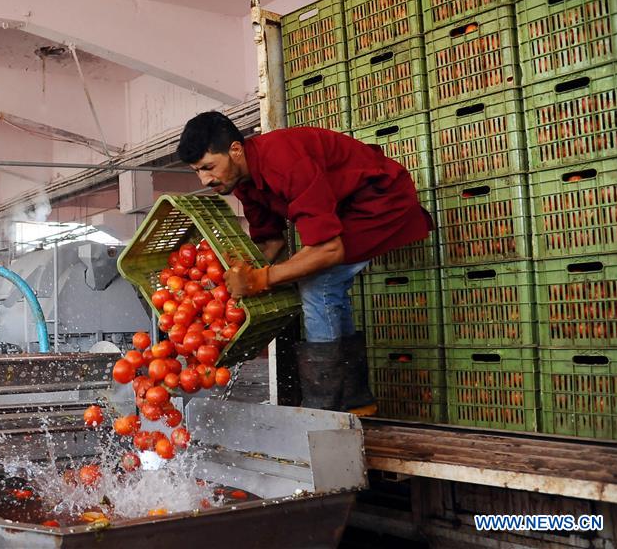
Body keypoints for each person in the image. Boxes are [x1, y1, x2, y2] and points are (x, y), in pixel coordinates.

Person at [177, 111, 433, 416]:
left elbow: (328, 251)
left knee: (318, 282)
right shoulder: (244, 181)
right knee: (327, 287)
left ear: (235, 150)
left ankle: (325, 409)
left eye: (208, 167)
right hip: (347, 210)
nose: (205, 179)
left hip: (380, 202)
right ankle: (355, 400)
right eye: (197, 171)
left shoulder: (284, 162)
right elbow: (269, 243)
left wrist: (262, 279)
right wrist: (228, 285)